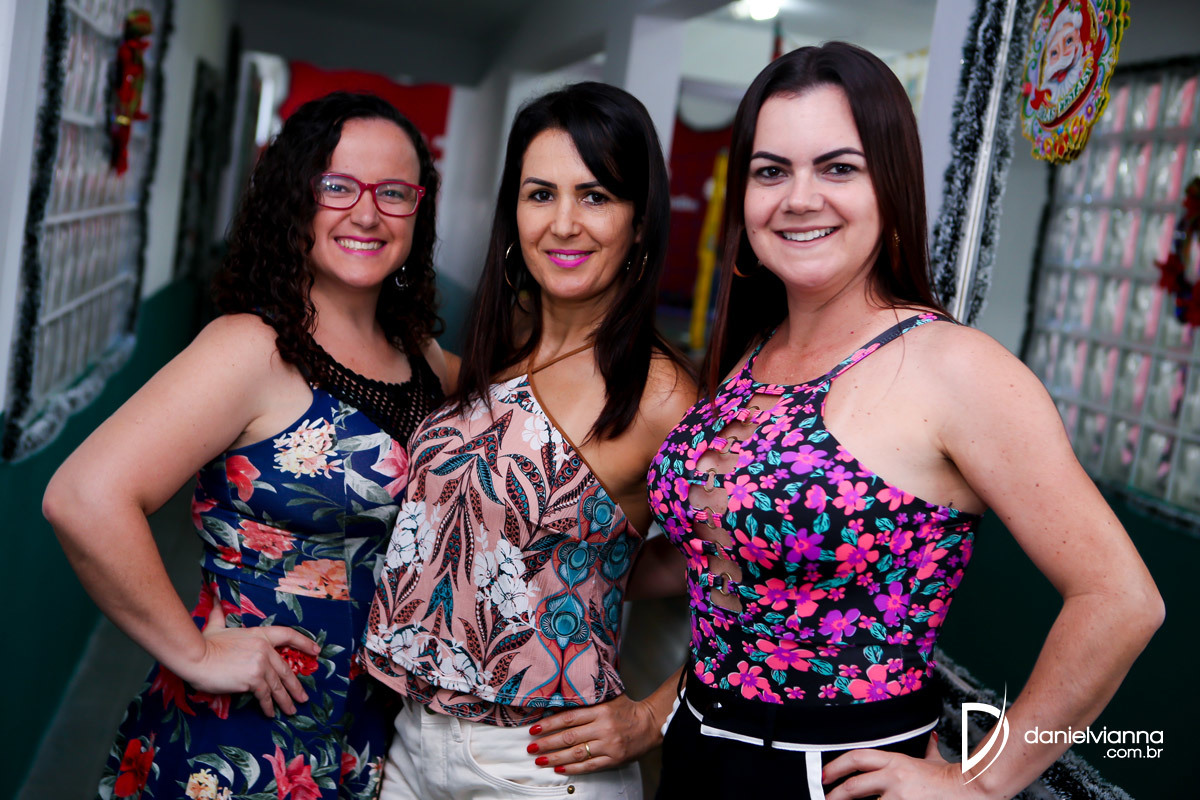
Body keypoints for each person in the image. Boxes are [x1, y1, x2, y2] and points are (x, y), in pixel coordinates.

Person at [646, 42, 1162, 799]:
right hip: (698, 750)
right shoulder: (753, 353)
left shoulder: (953, 367)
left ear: (889, 184)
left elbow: (1120, 600)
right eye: (771, 171)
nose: (799, 198)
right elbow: (722, 546)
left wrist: (979, 782)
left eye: (837, 168)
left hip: (838, 775)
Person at [44, 91, 450, 799]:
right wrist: (195, 653)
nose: (366, 213)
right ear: (296, 197)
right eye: (337, 185)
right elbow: (83, 498)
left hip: (368, 731)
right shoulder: (249, 348)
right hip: (247, 737)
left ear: (419, 209)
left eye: (393, 192)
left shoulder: (422, 355)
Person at [361, 81, 696, 799]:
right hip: (413, 741)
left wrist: (655, 715)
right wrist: (587, 560)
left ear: (640, 222)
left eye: (596, 196)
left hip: (538, 765)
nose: (564, 223)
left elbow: (760, 584)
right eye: (541, 194)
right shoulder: (501, 352)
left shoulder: (659, 394)